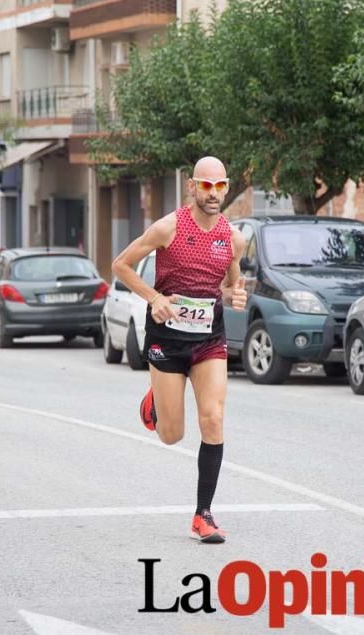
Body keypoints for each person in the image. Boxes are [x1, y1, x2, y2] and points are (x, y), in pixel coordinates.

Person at [111, 156, 247, 544]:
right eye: (207, 186)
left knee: (214, 418)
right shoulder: (168, 227)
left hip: (208, 338)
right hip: (166, 339)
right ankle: (155, 402)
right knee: (172, 434)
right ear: (192, 186)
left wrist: (235, 294)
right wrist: (154, 297)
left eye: (220, 186)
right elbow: (121, 265)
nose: (214, 194)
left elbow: (231, 284)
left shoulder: (232, 238)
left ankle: (203, 514)